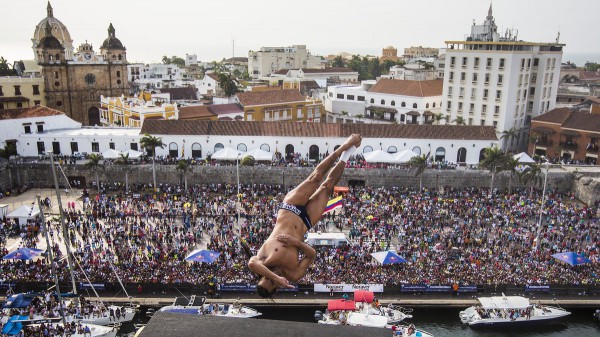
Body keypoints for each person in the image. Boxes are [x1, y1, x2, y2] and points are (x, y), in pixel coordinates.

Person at [248, 134, 362, 297]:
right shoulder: (293, 274)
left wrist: (274, 277)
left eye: (267, 278)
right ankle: (347, 154)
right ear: (278, 287)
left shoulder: (262, 261)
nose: (272, 278)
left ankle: (343, 146)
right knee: (327, 187)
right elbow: (312, 254)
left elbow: (251, 262)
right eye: (272, 283)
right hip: (305, 221)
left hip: (289, 208)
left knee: (315, 177)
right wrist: (296, 243)